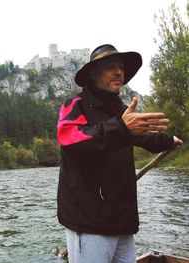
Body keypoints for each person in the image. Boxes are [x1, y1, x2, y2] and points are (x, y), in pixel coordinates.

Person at [56, 44, 183, 263]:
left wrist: (169, 141)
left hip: (122, 219)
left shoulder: (121, 109)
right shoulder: (75, 104)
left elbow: (143, 136)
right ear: (93, 74)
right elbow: (71, 140)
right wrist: (121, 127)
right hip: (89, 222)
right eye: (110, 67)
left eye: (121, 67)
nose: (119, 72)